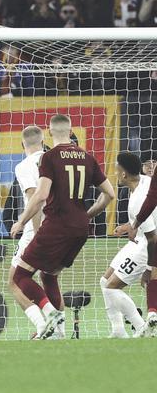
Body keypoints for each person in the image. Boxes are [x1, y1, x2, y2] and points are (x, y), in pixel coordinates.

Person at [9, 114, 117, 339]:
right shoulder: (88, 157)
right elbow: (110, 193)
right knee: (49, 276)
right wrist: (87, 215)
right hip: (80, 230)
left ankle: (50, 314)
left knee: (20, 277)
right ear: (70, 132)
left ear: (49, 133)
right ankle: (59, 334)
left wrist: (21, 221)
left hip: (56, 226)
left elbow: (39, 196)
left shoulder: (49, 157)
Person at [7, 126, 60, 338]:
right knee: (50, 278)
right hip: (60, 227)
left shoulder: (24, 165)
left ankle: (41, 325)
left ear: (23, 144)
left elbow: (34, 198)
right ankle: (59, 334)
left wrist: (38, 234)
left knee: (14, 281)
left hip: (37, 231)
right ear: (43, 140)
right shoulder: (53, 159)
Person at [101, 152, 157, 337]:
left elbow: (152, 238)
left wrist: (149, 269)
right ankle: (118, 329)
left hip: (146, 247)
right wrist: (129, 226)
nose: (115, 174)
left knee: (111, 287)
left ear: (124, 174)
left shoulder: (138, 200)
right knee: (104, 281)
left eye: (116, 170)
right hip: (139, 239)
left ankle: (143, 328)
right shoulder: (146, 181)